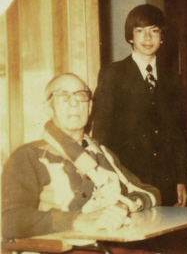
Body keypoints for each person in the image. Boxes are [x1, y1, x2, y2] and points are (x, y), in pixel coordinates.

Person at [1, 73, 161, 253]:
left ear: (90, 106)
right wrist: (77, 220)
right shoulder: (29, 156)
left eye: (80, 95)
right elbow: (10, 219)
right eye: (63, 96)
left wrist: (126, 205)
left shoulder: (104, 154)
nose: (74, 103)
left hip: (113, 244)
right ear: (48, 108)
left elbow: (149, 191)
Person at [92, 4, 187, 207]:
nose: (147, 38)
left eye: (154, 31)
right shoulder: (113, 74)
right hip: (127, 180)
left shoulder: (172, 80)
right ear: (130, 37)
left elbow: (177, 134)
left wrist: (181, 179)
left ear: (162, 37)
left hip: (166, 182)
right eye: (140, 31)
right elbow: (101, 134)